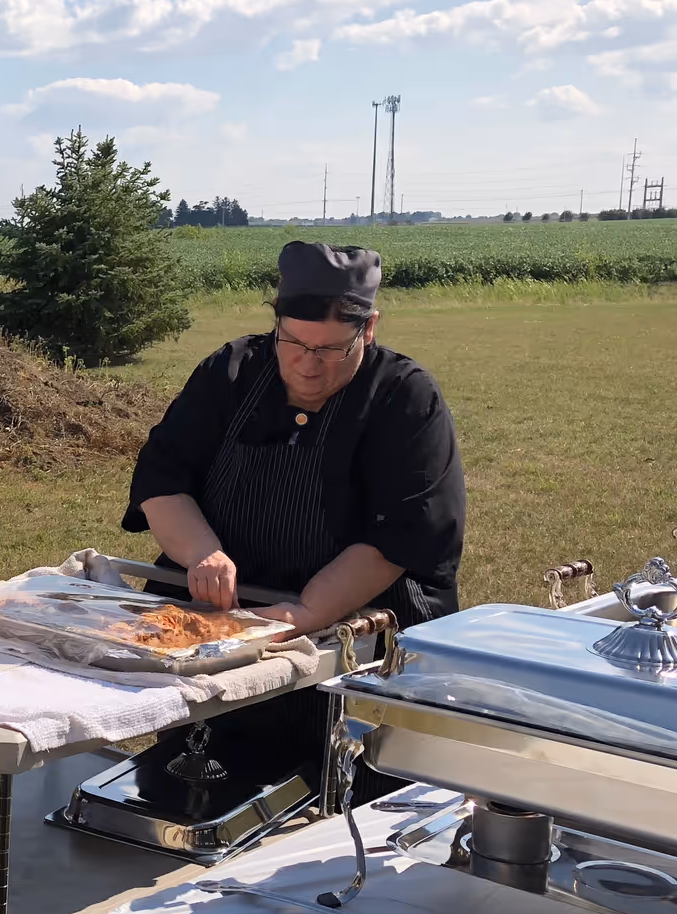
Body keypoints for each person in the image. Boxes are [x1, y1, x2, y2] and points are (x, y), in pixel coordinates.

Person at [122, 240, 464, 780]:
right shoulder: (231, 372)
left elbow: (400, 535)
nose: (307, 364)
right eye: (293, 342)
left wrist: (304, 614)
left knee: (341, 794)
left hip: (355, 633)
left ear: (368, 329)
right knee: (198, 781)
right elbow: (163, 479)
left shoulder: (404, 397)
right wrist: (202, 553)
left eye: (329, 349)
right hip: (221, 626)